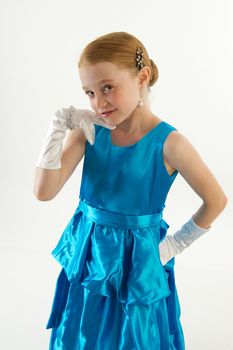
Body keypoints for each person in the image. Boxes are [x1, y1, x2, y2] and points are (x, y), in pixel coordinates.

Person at [33, 31, 228, 350]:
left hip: (137, 257)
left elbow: (216, 200)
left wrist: (172, 246)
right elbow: (44, 191)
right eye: (89, 92)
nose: (98, 102)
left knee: (134, 333)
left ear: (142, 77)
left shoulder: (170, 143)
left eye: (107, 88)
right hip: (89, 249)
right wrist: (57, 127)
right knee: (85, 326)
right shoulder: (89, 130)